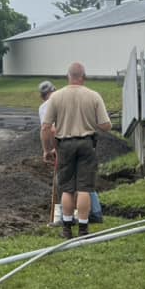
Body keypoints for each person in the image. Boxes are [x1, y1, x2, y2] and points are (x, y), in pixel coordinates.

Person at [40, 62, 112, 238]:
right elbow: (106, 125)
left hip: (65, 145)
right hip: (87, 144)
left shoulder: (56, 97)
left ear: (68, 76)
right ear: (84, 77)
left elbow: (46, 127)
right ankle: (83, 228)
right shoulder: (94, 96)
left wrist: (47, 149)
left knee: (67, 189)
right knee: (84, 188)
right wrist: (92, 121)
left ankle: (66, 228)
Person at [38, 80, 103, 224]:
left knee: (64, 182)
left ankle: (65, 217)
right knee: (84, 180)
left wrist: (50, 149)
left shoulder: (45, 107)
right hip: (85, 143)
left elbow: (49, 129)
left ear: (42, 96)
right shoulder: (69, 99)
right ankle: (96, 212)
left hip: (65, 146)